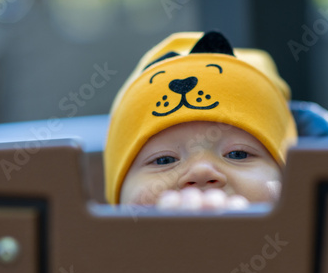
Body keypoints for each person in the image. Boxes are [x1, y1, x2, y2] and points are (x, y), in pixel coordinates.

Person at [104, 31, 297, 210]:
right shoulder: (93, 246)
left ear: (291, 177)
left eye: (238, 154)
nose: (201, 170)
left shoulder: (319, 242)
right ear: (117, 197)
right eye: (164, 160)